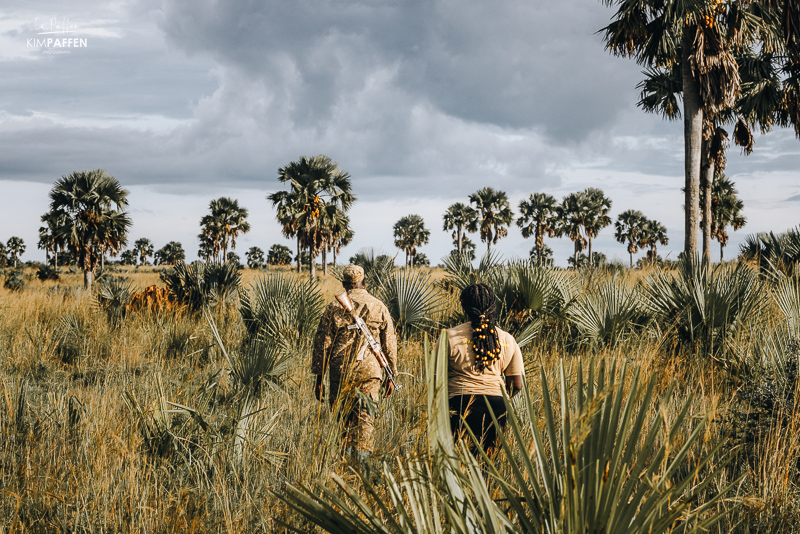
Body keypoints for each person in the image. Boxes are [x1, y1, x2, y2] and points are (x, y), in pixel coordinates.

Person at [312, 264, 398, 469]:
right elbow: (390, 344)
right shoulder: (379, 306)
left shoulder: (333, 307)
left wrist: (319, 378)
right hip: (370, 376)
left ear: (344, 283)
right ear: (364, 282)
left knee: (343, 425)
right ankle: (360, 469)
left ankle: (346, 468)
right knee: (365, 424)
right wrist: (391, 375)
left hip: (340, 375)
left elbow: (322, 344)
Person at [447, 283, 524, 452]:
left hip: (459, 404)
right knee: (487, 463)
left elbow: (436, 378)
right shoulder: (507, 339)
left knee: (458, 460)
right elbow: (517, 384)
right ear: (492, 306)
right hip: (497, 405)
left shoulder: (449, 336)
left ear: (464, 307)